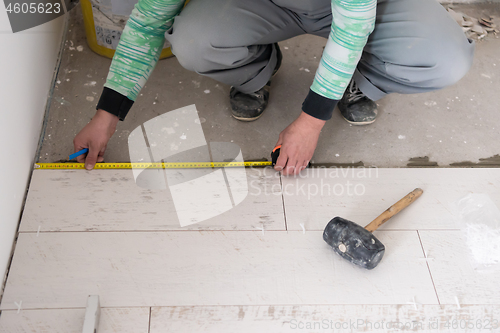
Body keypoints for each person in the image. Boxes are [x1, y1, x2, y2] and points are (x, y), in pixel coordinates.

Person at [74, 0, 474, 175]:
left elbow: (352, 27)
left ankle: (361, 81)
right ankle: (256, 72)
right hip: (269, 4)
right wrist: (105, 117)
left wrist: (310, 123)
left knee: (445, 59)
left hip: (370, 7)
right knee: (195, 41)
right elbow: (147, 24)